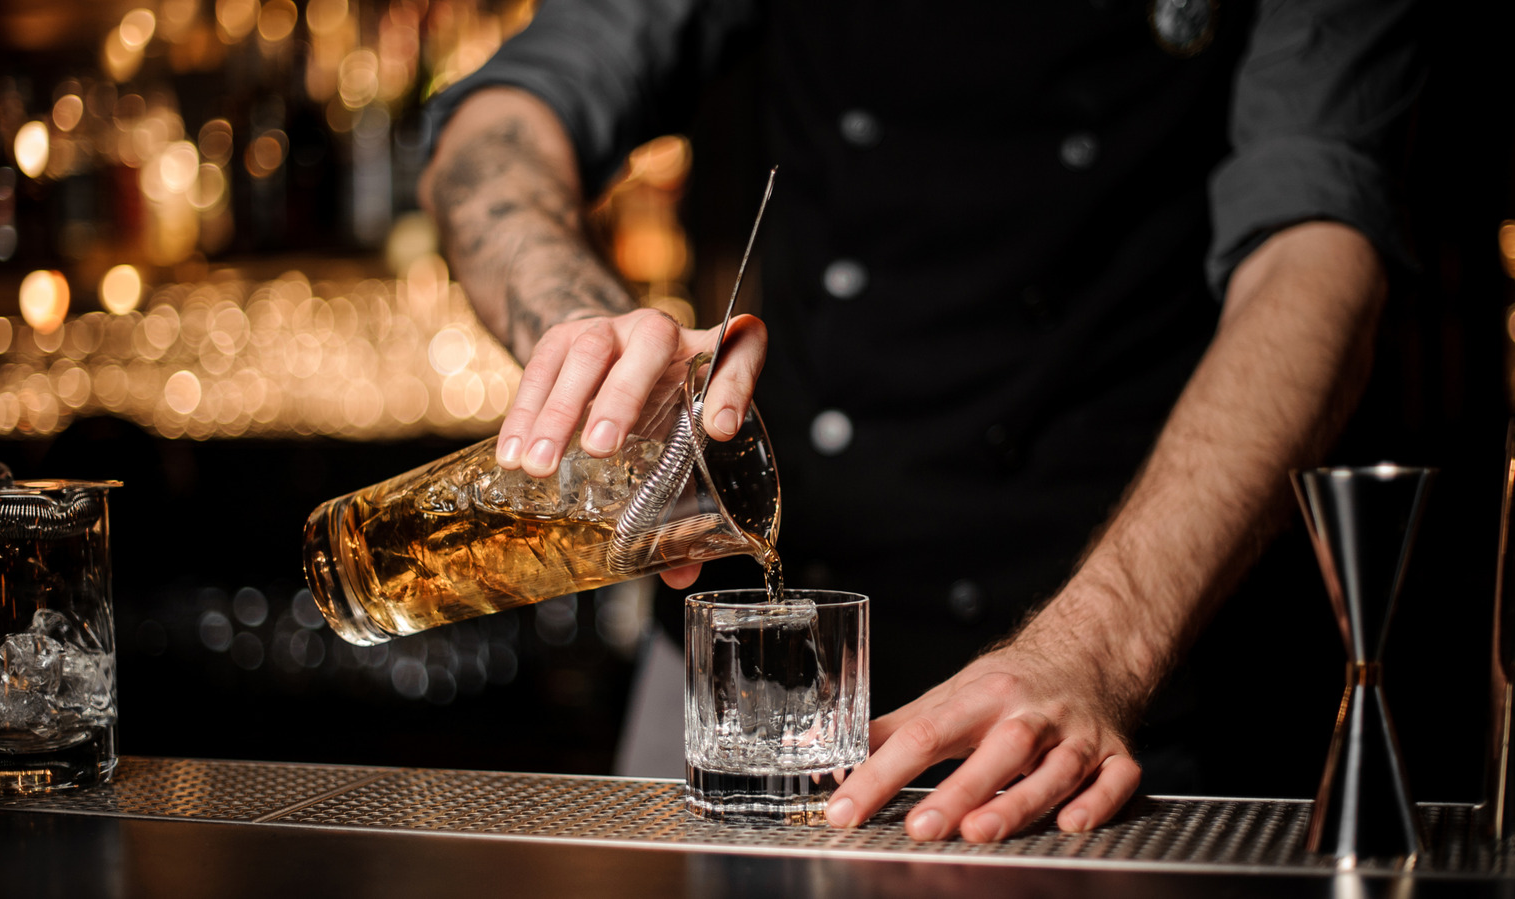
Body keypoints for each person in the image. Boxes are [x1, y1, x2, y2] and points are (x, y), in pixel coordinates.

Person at [420, 0, 1422, 842]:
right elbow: (503, 121)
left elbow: (1318, 244)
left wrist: (1102, 646)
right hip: (749, 688)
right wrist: (582, 330)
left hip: (1135, 660)